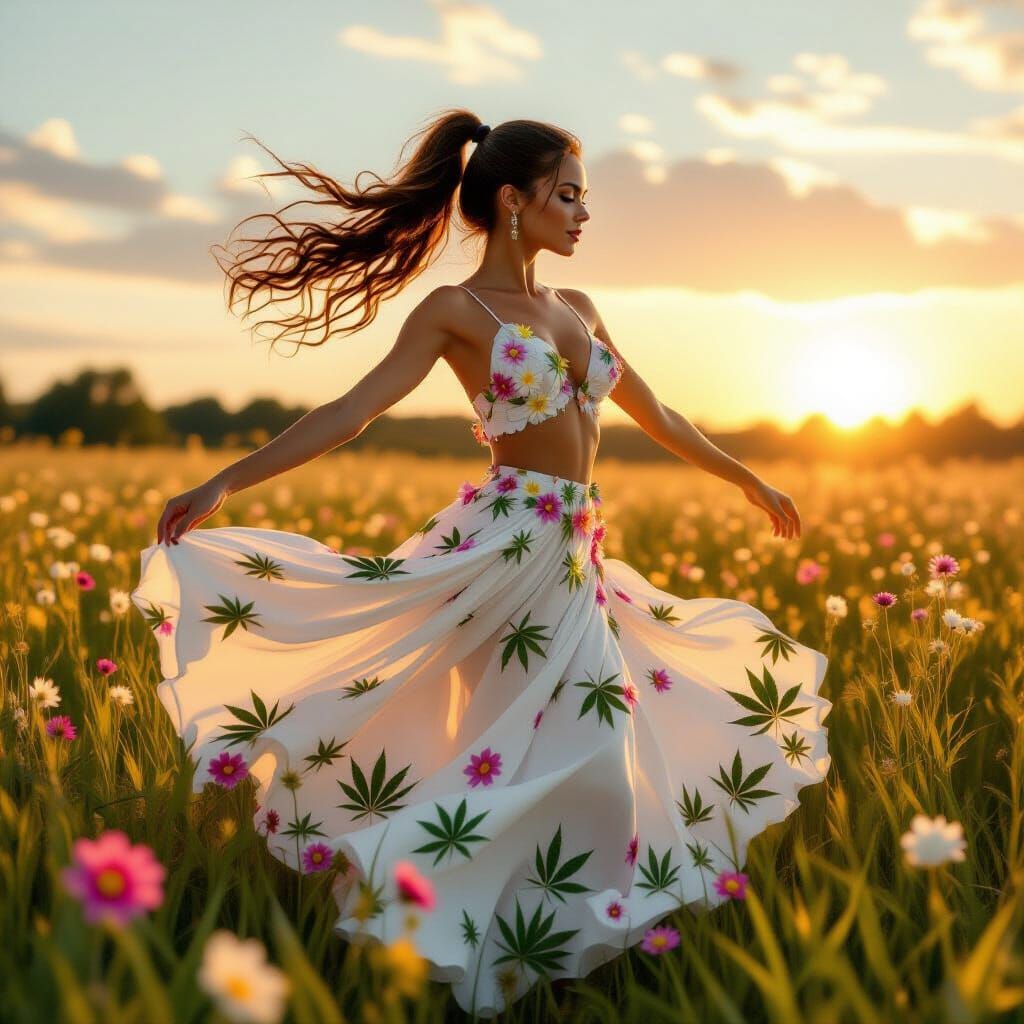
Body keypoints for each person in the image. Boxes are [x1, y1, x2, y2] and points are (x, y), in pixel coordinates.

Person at [131, 110, 831, 1018]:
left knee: (588, 753)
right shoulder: (456, 312)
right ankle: (452, 938)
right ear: (513, 200)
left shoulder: (578, 310)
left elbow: (658, 414)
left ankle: (521, 963)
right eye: (568, 195)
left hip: (576, 555)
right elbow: (353, 411)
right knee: (546, 755)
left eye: (586, 198)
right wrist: (227, 479)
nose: (583, 214)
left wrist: (750, 480)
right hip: (501, 557)